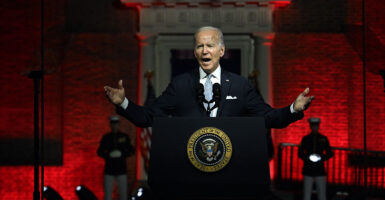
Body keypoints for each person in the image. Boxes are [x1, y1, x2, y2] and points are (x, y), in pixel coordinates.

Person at [104, 26, 314, 128]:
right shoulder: (181, 84)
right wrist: (122, 102)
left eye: (210, 46)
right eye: (200, 46)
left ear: (221, 51)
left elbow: (269, 118)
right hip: (189, 170)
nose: (205, 51)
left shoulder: (240, 85)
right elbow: (148, 117)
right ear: (195, 51)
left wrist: (293, 109)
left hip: (230, 170)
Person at [97, 116, 135, 200]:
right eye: (113, 124)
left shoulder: (124, 137)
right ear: (110, 125)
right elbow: (99, 152)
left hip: (121, 169)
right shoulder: (106, 137)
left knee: (123, 194)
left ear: (118, 125)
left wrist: (122, 154)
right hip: (109, 170)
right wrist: (108, 155)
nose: (114, 126)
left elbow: (131, 151)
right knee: (107, 194)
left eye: (116, 124)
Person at [298, 118, 333, 200]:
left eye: (316, 126)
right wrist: (307, 158)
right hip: (308, 169)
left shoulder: (323, 139)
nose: (315, 128)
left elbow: (329, 153)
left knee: (322, 195)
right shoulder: (306, 139)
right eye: (313, 126)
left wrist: (321, 158)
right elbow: (300, 153)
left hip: (319, 169)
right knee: (307, 195)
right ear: (310, 127)